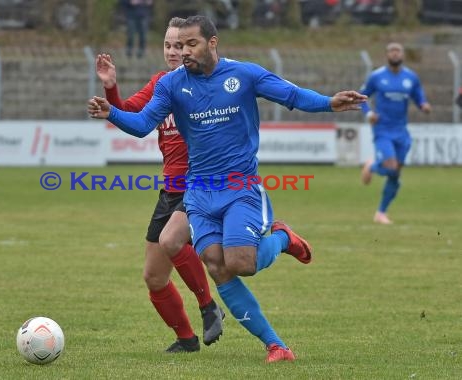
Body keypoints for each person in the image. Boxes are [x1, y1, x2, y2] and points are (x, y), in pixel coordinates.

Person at [88, 15, 366, 363]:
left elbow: (291, 95)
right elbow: (143, 123)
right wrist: (111, 112)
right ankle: (276, 346)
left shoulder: (245, 74)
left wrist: (328, 102)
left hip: (240, 188)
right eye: (178, 45)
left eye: (191, 44)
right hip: (199, 195)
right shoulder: (172, 84)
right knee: (217, 267)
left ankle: (281, 237)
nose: (183, 52)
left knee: (241, 263)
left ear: (212, 43)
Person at [95, 17, 225, 353]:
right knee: (154, 277)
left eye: (179, 45)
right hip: (170, 189)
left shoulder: (203, 83)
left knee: (172, 242)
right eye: (168, 45)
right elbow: (128, 114)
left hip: (199, 184)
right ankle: (186, 339)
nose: (173, 51)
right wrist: (111, 88)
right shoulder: (161, 85)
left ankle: (209, 306)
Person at [360, 42, 431, 225]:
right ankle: (372, 166)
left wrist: (423, 105)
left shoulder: (411, 77)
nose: (395, 54)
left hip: (401, 131)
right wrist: (369, 114)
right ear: (386, 55)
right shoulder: (376, 77)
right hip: (383, 129)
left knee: (395, 174)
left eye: (398, 51)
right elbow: (362, 98)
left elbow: (418, 95)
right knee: (390, 166)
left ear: (403, 55)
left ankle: (381, 213)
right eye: (392, 51)